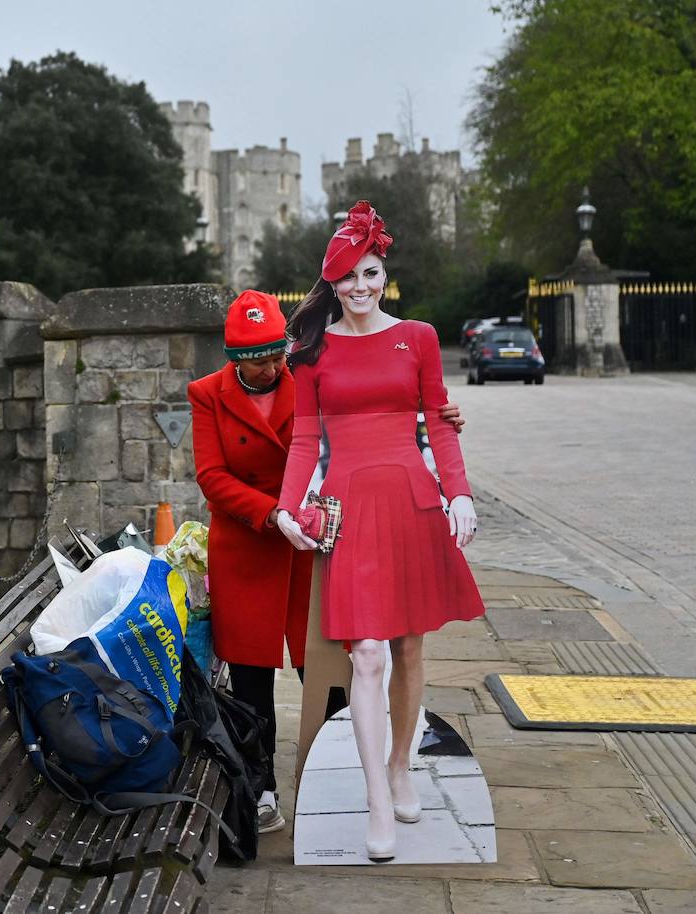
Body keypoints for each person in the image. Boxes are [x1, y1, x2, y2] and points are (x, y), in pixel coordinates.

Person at [187, 289, 462, 835]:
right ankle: (259, 785)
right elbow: (212, 477)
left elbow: (374, 418)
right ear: (234, 358)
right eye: (256, 361)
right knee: (251, 678)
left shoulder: (311, 375)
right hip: (248, 544)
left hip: (312, 546)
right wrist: (273, 513)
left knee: (330, 669)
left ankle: (331, 776)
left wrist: (441, 418)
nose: (270, 369)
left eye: (274, 356)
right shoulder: (206, 395)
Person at [273, 200, 484, 862]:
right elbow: (306, 436)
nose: (359, 289)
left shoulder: (417, 336)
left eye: (368, 274)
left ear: (382, 272)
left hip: (413, 504)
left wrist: (460, 493)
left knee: (411, 648)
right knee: (368, 653)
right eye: (346, 279)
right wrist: (286, 506)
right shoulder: (311, 352)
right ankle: (374, 799)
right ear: (330, 285)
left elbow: (440, 422)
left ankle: (401, 765)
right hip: (349, 510)